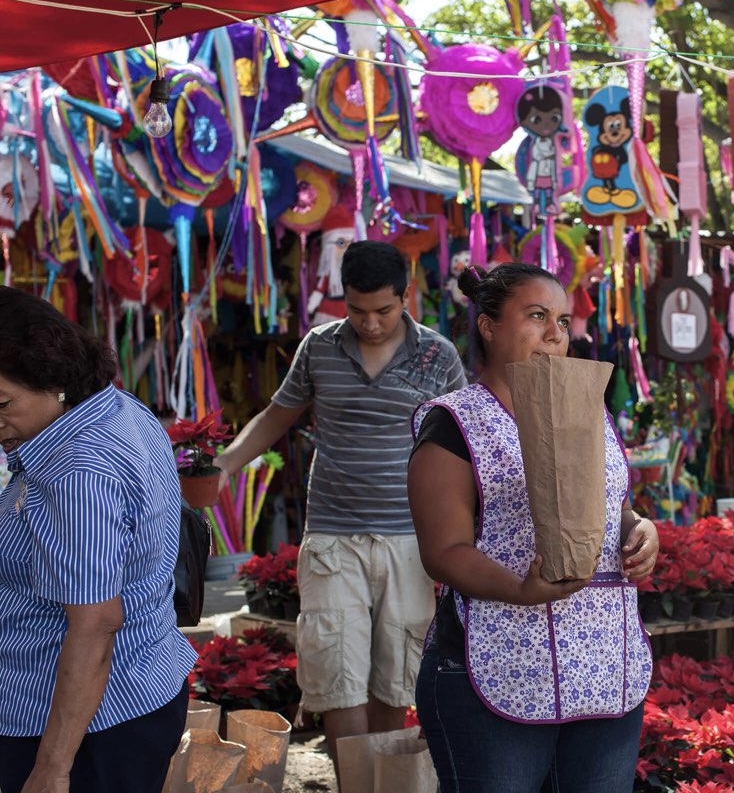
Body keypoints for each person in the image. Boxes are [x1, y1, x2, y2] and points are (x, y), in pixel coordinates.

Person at [214, 241, 467, 774]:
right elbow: (277, 416)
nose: (370, 324)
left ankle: (384, 781)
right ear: (342, 298)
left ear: (406, 295)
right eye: (356, 310)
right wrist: (224, 464)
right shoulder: (319, 346)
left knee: (396, 673)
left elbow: (464, 439)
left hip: (410, 539)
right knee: (336, 675)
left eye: (383, 310)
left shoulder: (438, 354)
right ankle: (356, 785)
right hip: (333, 536)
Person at [407, 263, 658, 793]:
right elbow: (444, 549)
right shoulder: (454, 423)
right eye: (537, 316)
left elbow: (614, 506)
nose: (555, 333)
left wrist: (640, 528)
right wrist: (522, 590)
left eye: (563, 321)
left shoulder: (590, 410)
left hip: (603, 666)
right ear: (489, 326)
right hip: (498, 669)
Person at [0, 287, 195, 792]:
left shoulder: (77, 474)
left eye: (3, 403)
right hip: (139, 687)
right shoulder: (116, 407)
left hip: (83, 726)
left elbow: (95, 627)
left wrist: (52, 767)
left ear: (54, 379)